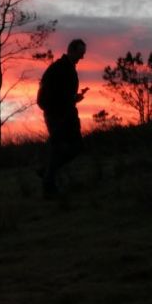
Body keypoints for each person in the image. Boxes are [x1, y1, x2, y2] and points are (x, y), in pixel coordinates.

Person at [37, 39, 88, 197]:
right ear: (71, 50)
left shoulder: (67, 68)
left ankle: (47, 174)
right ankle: (49, 185)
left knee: (75, 147)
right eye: (80, 53)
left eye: (83, 54)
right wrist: (59, 109)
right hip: (58, 116)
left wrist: (74, 99)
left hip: (66, 115)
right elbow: (49, 96)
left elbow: (63, 95)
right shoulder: (59, 68)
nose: (82, 57)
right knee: (59, 148)